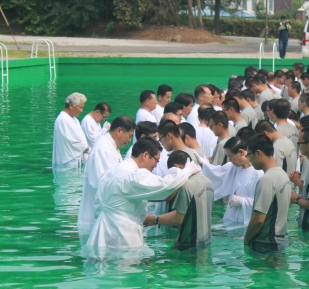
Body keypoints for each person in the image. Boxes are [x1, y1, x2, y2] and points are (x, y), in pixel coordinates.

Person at [82, 137, 200, 260]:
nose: (155, 166)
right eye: (156, 160)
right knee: (127, 273)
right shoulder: (133, 175)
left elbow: (97, 204)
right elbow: (166, 185)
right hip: (122, 235)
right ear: (145, 155)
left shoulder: (112, 171)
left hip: (101, 230)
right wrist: (188, 169)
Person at [77, 116, 135, 245]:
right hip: (97, 217)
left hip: (107, 216)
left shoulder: (112, 147)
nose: (129, 140)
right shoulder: (102, 149)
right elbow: (100, 186)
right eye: (129, 136)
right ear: (119, 131)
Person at [155, 151, 214, 251]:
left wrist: (154, 220)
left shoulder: (186, 186)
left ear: (176, 167)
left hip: (188, 244)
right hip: (206, 241)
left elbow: (178, 219)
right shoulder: (208, 182)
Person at [244, 134, 291, 254]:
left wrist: (246, 241)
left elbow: (258, 220)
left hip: (266, 244)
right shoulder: (283, 174)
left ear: (258, 153)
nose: (249, 160)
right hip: (281, 240)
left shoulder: (267, 179)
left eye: (249, 155)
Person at [201, 136, 263, 227]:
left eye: (230, 156)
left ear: (241, 152)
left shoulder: (259, 173)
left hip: (247, 223)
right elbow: (216, 173)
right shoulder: (234, 167)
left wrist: (241, 201)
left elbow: (261, 204)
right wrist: (203, 164)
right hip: (231, 218)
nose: (229, 160)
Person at [52, 92, 90, 170]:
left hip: (77, 161)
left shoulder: (74, 120)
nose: (81, 110)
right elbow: (72, 142)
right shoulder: (62, 120)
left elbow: (81, 138)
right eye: (80, 107)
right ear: (71, 105)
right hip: (68, 163)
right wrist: (88, 149)